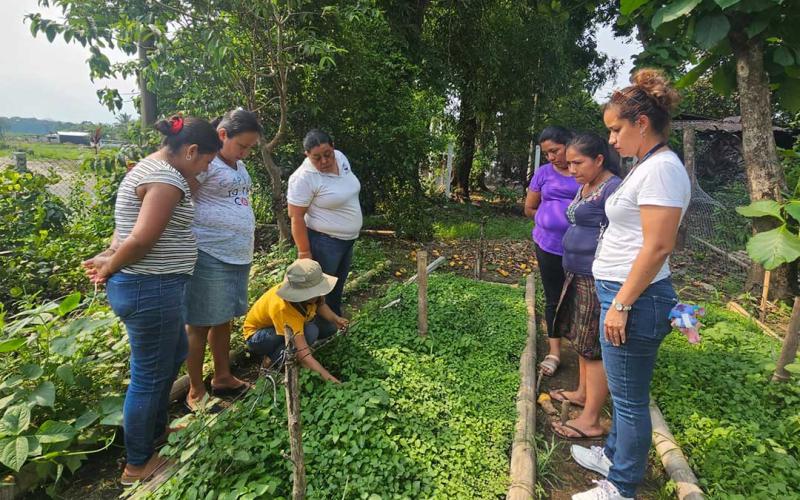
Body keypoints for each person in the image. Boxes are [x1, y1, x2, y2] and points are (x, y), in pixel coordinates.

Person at [570, 69, 690, 500]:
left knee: (630, 400)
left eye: (616, 130)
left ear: (642, 123)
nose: (613, 141)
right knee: (625, 392)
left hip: (635, 298)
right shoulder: (647, 166)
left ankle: (620, 486)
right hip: (624, 293)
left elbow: (658, 246)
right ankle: (615, 454)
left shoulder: (661, 171)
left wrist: (621, 303)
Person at [82, 116, 221, 485]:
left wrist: (109, 254)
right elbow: (142, 238)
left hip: (153, 288)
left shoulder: (151, 169)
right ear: (191, 151)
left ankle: (155, 435)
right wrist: (111, 262)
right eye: (206, 160)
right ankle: (138, 463)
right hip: (150, 289)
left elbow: (123, 230)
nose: (206, 167)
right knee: (148, 375)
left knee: (173, 353)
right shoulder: (165, 178)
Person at [183, 109, 263, 411]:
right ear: (222, 135)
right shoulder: (205, 163)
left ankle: (223, 376)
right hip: (209, 252)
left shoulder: (238, 165)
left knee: (223, 318)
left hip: (236, 253)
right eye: (242, 145)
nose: (245, 152)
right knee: (200, 322)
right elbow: (180, 197)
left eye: (250, 147)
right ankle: (195, 392)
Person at [548, 132, 621, 440]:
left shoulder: (613, 188)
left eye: (578, 162)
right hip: (576, 272)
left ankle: (591, 418)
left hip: (595, 277)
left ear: (599, 160)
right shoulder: (587, 186)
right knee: (580, 339)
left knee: (593, 347)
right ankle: (580, 392)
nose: (572, 168)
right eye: (571, 162)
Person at [287, 129, 362, 324]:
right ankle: (313, 333)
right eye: (316, 158)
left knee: (336, 287)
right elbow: (295, 216)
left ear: (333, 148)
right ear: (307, 155)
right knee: (319, 291)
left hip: (346, 241)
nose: (324, 161)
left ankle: (333, 326)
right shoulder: (304, 177)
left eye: (327, 154)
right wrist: (304, 254)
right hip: (324, 242)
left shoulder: (340, 158)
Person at [524, 126, 580, 377]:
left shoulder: (583, 170)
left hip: (581, 249)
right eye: (546, 153)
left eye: (554, 151)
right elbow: (529, 207)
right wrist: (548, 220)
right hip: (548, 245)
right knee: (553, 297)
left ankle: (583, 350)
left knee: (582, 298)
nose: (551, 157)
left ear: (569, 144)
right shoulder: (543, 173)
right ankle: (555, 351)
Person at [243, 259, 348, 383]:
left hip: (279, 327)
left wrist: (336, 319)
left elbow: (320, 304)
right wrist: (334, 382)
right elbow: (304, 356)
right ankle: (272, 360)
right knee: (309, 333)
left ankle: (287, 350)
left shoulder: (311, 297)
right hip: (258, 337)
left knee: (329, 327)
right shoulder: (283, 308)